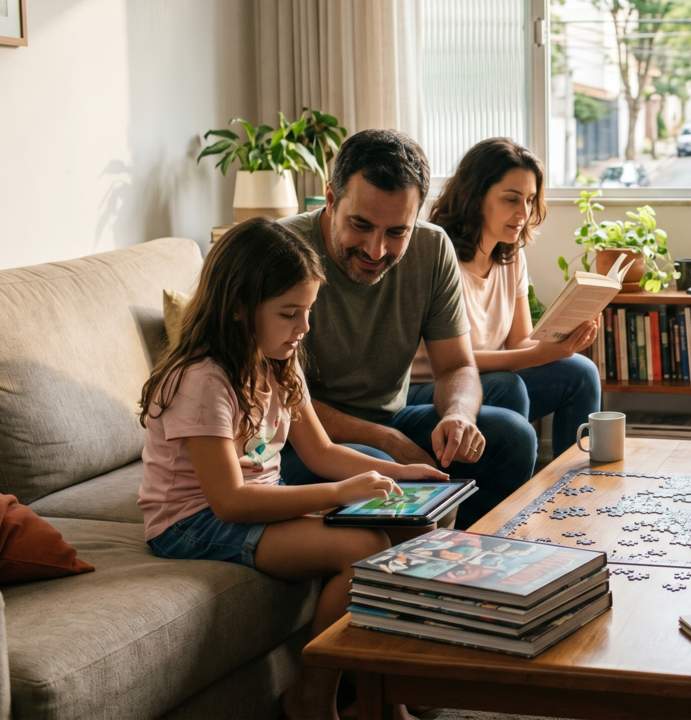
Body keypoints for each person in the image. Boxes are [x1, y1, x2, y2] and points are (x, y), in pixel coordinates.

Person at [137, 218, 442, 719]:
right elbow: (229, 501)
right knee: (363, 547)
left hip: (251, 505)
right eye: (289, 313)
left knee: (410, 527)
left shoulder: (279, 360)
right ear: (238, 307)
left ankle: (386, 692)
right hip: (190, 524)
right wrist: (341, 493)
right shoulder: (201, 381)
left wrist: (404, 473)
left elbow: (320, 453)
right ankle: (312, 697)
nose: (304, 328)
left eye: (307, 312)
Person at [277, 129, 537, 529]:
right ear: (331, 199)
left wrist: (458, 415)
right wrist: (390, 442)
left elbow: (456, 368)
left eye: (397, 231)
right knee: (384, 474)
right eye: (360, 225)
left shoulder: (432, 248)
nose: (375, 250)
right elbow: (284, 400)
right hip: (302, 440)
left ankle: (461, 549)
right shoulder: (283, 251)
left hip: (390, 419)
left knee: (514, 437)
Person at [410, 137, 600, 458]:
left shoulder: (511, 256)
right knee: (508, 387)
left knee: (580, 372)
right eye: (511, 199)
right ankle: (510, 497)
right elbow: (452, 359)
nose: (523, 212)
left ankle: (574, 489)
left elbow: (518, 343)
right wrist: (541, 354)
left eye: (529, 200)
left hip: (487, 378)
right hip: (435, 386)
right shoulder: (437, 255)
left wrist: (561, 342)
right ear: (475, 196)